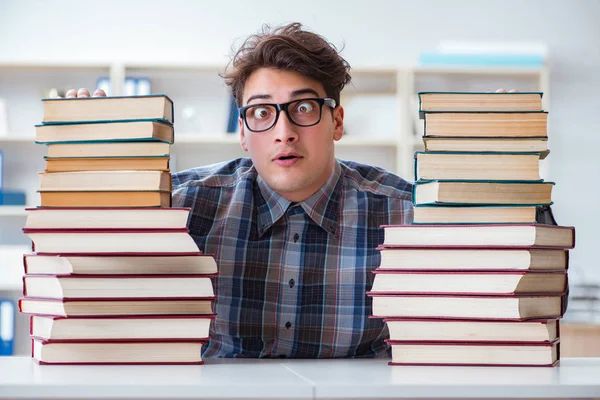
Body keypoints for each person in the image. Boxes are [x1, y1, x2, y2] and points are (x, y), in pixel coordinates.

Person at [65, 22, 565, 359]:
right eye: (261, 112)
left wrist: (500, 169)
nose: (283, 131)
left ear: (337, 121)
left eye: (303, 108)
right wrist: (94, 152)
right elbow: (85, 264)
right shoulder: (187, 206)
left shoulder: (405, 211)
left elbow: (519, 278)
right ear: (243, 131)